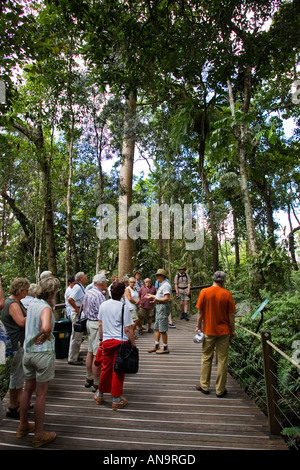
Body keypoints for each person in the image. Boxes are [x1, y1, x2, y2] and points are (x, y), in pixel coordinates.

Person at [17, 276, 60, 447]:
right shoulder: (45, 308)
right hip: (42, 354)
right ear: (54, 292)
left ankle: (23, 425)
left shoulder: (33, 303)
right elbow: (46, 326)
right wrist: (46, 334)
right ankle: (39, 434)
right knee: (41, 394)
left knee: (27, 389)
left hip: (28, 353)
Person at [94, 281, 136, 410]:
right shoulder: (123, 307)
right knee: (118, 369)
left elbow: (100, 324)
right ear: (122, 293)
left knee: (105, 368)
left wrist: (101, 339)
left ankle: (100, 395)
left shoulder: (103, 305)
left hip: (107, 341)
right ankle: (116, 400)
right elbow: (128, 329)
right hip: (120, 343)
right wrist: (133, 344)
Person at [195, 271, 236, 398]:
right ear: (223, 281)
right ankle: (220, 389)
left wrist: (198, 327)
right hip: (224, 331)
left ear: (213, 279)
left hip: (208, 330)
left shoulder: (204, 292)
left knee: (206, 357)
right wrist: (232, 330)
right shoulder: (227, 294)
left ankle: (205, 386)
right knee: (222, 359)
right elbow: (231, 315)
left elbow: (200, 313)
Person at [1, 278, 30, 418]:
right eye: (25, 290)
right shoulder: (12, 304)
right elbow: (21, 322)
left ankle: (19, 401)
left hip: (16, 342)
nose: (27, 292)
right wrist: (34, 312)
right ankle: (13, 406)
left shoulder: (14, 302)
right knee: (16, 375)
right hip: (15, 343)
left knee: (18, 374)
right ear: (19, 290)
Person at [82, 274, 107, 390]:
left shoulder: (88, 292)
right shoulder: (99, 295)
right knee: (98, 354)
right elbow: (103, 313)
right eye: (105, 282)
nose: (106, 284)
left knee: (90, 351)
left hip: (88, 323)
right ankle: (97, 382)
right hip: (97, 324)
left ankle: (89, 378)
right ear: (101, 283)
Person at [147, 269, 172, 354]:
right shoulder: (161, 285)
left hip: (163, 308)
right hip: (158, 307)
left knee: (162, 329)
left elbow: (166, 298)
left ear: (163, 276)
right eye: (157, 275)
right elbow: (160, 296)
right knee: (157, 327)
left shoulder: (166, 285)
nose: (157, 277)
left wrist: (157, 299)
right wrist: (152, 296)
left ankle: (165, 347)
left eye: (159, 275)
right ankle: (156, 345)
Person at [67, 272, 87, 365]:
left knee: (78, 335)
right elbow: (70, 299)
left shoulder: (80, 287)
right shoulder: (77, 287)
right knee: (76, 335)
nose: (86, 277)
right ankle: (72, 358)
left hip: (79, 312)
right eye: (85, 276)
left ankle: (75, 355)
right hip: (76, 313)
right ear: (81, 278)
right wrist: (77, 309)